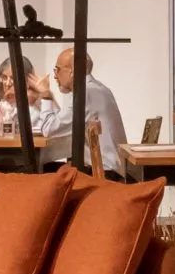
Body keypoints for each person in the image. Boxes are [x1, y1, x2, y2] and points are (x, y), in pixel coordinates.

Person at [28, 46, 129, 177]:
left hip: (104, 173)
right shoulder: (96, 89)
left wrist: (46, 97)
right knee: (47, 166)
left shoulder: (85, 93)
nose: (55, 76)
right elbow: (62, 123)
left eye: (57, 69)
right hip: (108, 168)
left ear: (72, 70)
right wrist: (48, 97)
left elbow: (49, 129)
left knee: (37, 170)